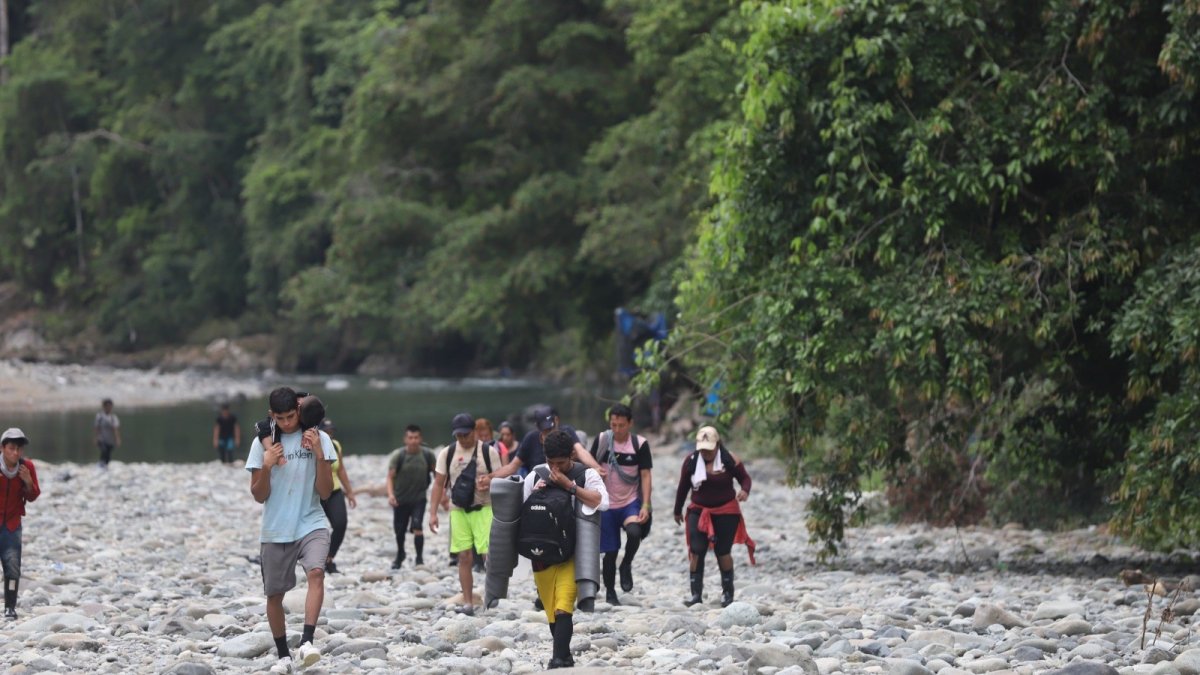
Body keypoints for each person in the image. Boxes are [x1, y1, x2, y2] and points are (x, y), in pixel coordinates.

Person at [246, 387, 337, 673]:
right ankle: (284, 655)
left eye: (291, 416)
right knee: (274, 595)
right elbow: (259, 495)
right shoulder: (262, 444)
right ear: (272, 415)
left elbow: (325, 491)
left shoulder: (318, 438)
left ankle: (308, 642)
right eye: (281, 418)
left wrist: (320, 454)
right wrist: (267, 466)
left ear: (299, 411)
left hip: (311, 521)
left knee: (316, 573)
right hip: (276, 529)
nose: (287, 423)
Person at [524, 429, 609, 669]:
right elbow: (520, 513)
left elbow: (603, 502)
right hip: (542, 555)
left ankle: (558, 659)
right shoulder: (536, 475)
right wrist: (535, 494)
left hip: (573, 553)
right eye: (551, 463)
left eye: (560, 463)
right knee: (552, 612)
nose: (555, 468)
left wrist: (570, 487)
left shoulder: (586, 475)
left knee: (563, 606)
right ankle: (565, 654)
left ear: (571, 455)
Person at [428, 413, 501, 615]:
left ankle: (491, 593)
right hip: (458, 509)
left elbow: (502, 478)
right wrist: (432, 513)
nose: (462, 439)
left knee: (489, 555)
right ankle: (468, 602)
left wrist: (489, 481)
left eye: (466, 435)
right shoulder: (448, 453)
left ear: (475, 433)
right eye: (458, 435)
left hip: (484, 507)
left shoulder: (489, 452)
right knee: (464, 556)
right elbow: (438, 483)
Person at [673, 426, 754, 608]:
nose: (706, 452)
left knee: (723, 551)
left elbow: (745, 479)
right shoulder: (691, 462)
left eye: (709, 449)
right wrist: (677, 510)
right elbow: (683, 487)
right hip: (698, 510)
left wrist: (745, 491)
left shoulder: (729, 459)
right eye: (702, 448)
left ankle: (728, 594)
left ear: (717, 445)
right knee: (696, 550)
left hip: (726, 511)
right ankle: (696, 595)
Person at [589, 403, 652, 605]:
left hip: (630, 501)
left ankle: (626, 564)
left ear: (630, 423)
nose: (617, 430)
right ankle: (610, 593)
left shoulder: (640, 444)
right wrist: (596, 469)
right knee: (610, 551)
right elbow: (588, 462)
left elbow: (645, 474)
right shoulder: (602, 440)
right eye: (613, 425)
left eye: (621, 425)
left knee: (634, 532)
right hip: (606, 502)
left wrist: (646, 505)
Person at [491, 406, 605, 480]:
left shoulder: (566, 432)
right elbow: (512, 467)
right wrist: (490, 477)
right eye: (545, 431)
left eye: (550, 429)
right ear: (537, 427)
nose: (549, 434)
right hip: (539, 486)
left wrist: (596, 467)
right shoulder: (531, 438)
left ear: (556, 421)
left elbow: (581, 451)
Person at [0, 428, 40, 620]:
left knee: (13, 566)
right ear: (3, 448)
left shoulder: (27, 467)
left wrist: (28, 482)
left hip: (12, 524)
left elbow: (32, 496)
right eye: (11, 448)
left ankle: (10, 607)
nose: (15, 453)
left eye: (19, 449)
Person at [386, 424, 436, 569]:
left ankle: (419, 558)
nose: (413, 441)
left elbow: (437, 475)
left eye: (416, 438)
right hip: (400, 499)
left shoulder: (427, 455)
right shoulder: (399, 455)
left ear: (420, 438)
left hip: (419, 498)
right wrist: (390, 495)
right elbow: (390, 477)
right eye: (410, 438)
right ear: (405, 439)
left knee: (417, 526)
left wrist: (443, 496)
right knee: (399, 530)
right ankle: (400, 554)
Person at [319, 419, 356, 574]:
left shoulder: (335, 445)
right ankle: (314, 562)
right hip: (318, 493)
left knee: (340, 524)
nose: (329, 434)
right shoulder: (312, 447)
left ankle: (329, 558)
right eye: (326, 431)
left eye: (331, 432)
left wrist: (350, 491)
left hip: (334, 491)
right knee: (318, 530)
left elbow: (340, 469)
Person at [94, 398, 121, 468]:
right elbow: (97, 428)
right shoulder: (99, 416)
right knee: (104, 450)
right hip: (102, 439)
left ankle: (105, 466)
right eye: (107, 406)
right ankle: (101, 464)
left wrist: (117, 439)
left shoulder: (113, 417)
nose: (109, 408)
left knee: (108, 454)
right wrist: (96, 438)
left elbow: (115, 429)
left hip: (110, 440)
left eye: (110, 406)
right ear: (104, 407)